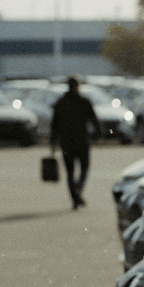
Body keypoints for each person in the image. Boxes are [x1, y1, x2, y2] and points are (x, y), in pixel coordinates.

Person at [50, 77, 100, 209]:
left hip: (66, 142)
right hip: (82, 141)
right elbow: (94, 119)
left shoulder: (61, 102)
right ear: (78, 86)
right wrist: (97, 135)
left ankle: (74, 196)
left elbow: (54, 125)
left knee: (70, 171)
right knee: (84, 168)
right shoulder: (84, 102)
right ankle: (78, 190)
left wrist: (53, 142)